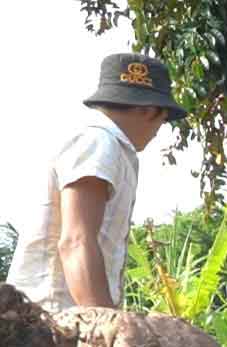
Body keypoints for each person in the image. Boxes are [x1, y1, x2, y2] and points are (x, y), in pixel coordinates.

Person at [6, 53, 185, 313]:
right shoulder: (99, 143)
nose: (159, 129)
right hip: (53, 321)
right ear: (148, 109)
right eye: (163, 118)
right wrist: (109, 331)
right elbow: (76, 241)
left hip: (67, 317)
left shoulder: (109, 146)